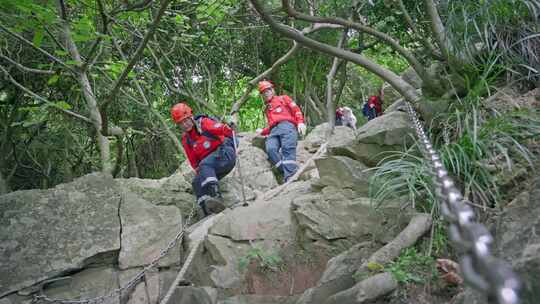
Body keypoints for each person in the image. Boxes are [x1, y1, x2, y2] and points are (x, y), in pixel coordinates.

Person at [171, 102, 236, 217]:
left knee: (205, 164)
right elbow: (194, 163)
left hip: (225, 154)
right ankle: (207, 211)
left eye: (186, 120)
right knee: (196, 182)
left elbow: (221, 129)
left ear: (191, 116)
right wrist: (201, 177)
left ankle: (216, 198)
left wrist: (229, 127)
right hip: (212, 166)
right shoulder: (187, 140)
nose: (185, 125)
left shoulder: (203, 123)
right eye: (181, 123)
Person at [256, 81, 306, 183]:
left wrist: (300, 122)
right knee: (271, 149)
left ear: (272, 90)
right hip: (274, 131)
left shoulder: (283, 98)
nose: (266, 93)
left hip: (287, 126)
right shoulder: (267, 108)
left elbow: (295, 109)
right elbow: (271, 124)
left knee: (287, 149)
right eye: (263, 92)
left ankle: (290, 177)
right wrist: (263, 131)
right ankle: (284, 170)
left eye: (268, 90)